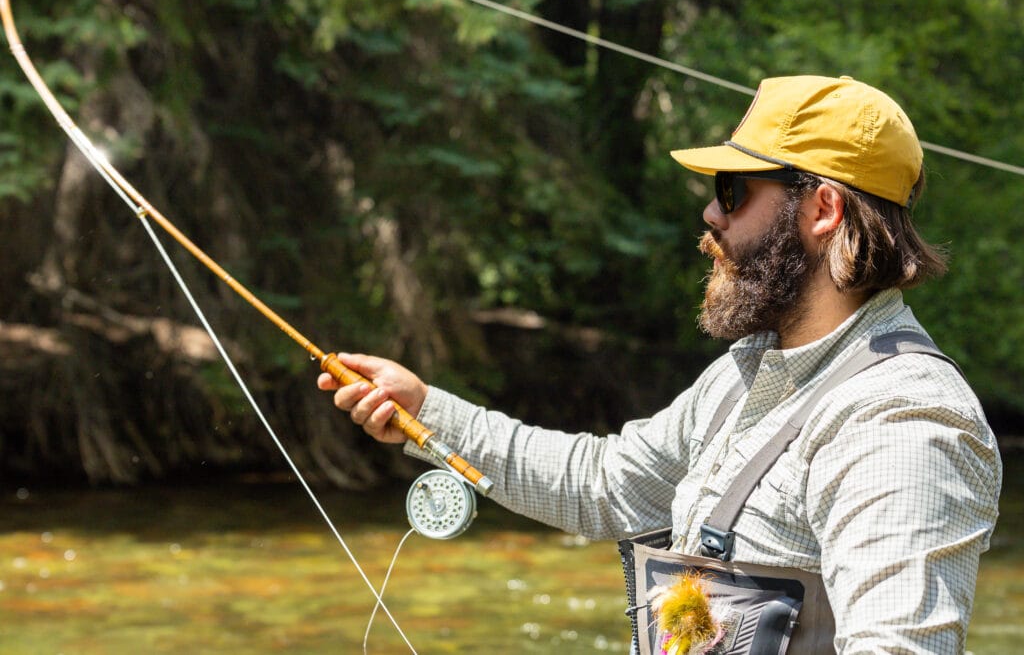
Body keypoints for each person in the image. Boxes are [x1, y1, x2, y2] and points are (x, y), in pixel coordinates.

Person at [318, 75, 1001, 653]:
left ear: (823, 208)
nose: (709, 213)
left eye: (732, 189)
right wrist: (425, 411)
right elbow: (603, 484)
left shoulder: (903, 421)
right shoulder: (744, 372)